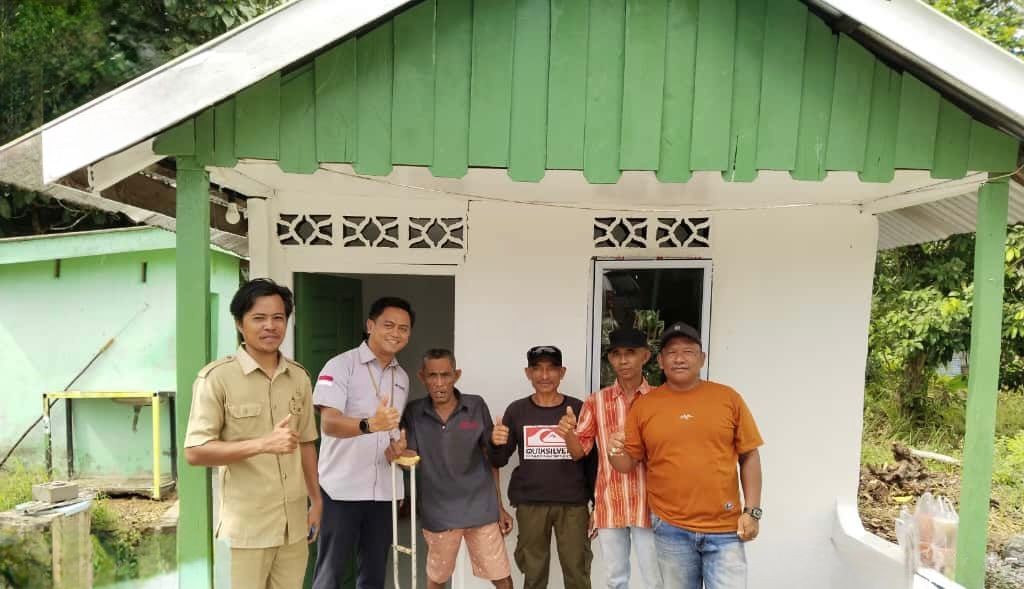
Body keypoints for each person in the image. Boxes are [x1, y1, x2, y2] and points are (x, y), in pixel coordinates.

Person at [184, 278, 320, 589]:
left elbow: (306, 443)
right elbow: (195, 451)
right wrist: (262, 444)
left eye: (278, 317)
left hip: (293, 526)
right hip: (248, 529)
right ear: (239, 323)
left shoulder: (298, 377)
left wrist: (316, 500)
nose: (270, 326)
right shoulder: (216, 378)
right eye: (259, 318)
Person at [609, 322, 764, 589]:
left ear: (702, 358)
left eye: (688, 351)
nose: (679, 358)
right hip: (671, 528)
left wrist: (752, 511)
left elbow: (749, 455)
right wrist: (614, 449)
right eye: (671, 352)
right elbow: (626, 464)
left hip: (725, 528)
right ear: (660, 361)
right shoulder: (644, 406)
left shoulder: (728, 398)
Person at [311, 297, 415, 589]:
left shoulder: (402, 377)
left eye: (404, 328)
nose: (396, 333)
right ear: (370, 325)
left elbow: (389, 432)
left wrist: (396, 449)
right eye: (388, 325)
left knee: (373, 576)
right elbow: (329, 423)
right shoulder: (340, 366)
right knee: (330, 575)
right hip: (341, 490)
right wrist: (369, 424)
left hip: (383, 493)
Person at [396, 348, 514, 589]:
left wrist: (496, 443)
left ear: (456, 375)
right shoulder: (415, 412)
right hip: (439, 512)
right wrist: (397, 451)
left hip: (481, 508)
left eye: (445, 375)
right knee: (437, 579)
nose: (439, 383)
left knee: (501, 576)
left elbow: (492, 459)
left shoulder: (475, 405)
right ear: (422, 377)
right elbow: (410, 458)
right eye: (432, 375)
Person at [557, 327, 661, 589]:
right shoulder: (596, 402)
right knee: (616, 580)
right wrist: (568, 433)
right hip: (610, 502)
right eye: (616, 354)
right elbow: (578, 452)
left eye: (630, 353)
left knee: (656, 580)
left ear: (645, 356)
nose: (623, 360)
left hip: (652, 504)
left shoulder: (660, 399)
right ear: (610, 359)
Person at [489, 345, 595, 589]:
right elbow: (499, 459)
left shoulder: (578, 408)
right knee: (533, 575)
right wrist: (495, 442)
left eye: (552, 369)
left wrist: (597, 505)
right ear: (528, 373)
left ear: (562, 372)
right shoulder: (517, 411)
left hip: (573, 505)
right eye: (537, 369)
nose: (545, 375)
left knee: (577, 574)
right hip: (531, 505)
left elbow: (592, 461)